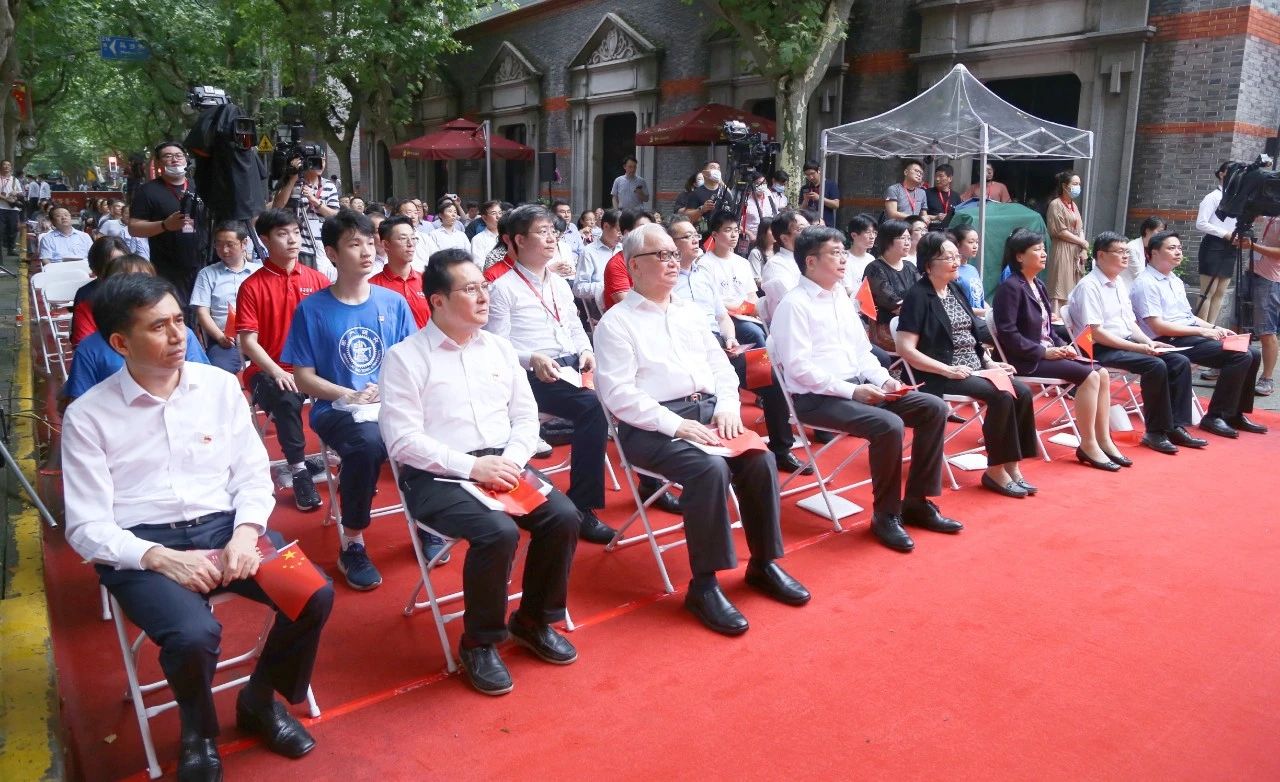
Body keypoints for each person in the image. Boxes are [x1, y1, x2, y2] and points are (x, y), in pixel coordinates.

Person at [61, 273, 332, 780]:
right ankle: (198, 732)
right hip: (143, 545)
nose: (178, 336)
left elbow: (252, 473)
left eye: (178, 321)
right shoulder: (88, 417)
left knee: (312, 593)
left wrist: (246, 533)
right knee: (193, 634)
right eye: (157, 327)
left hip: (226, 527)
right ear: (120, 343)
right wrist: (161, 558)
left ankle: (259, 700)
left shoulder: (218, 388)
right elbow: (86, 525)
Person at [380, 251, 581, 696]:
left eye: (483, 287)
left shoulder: (500, 347)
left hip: (503, 463)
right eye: (470, 289)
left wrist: (512, 459)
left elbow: (525, 418)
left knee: (564, 517)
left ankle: (533, 620)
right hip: (438, 475)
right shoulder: (406, 358)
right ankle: (479, 642)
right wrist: (473, 467)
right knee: (497, 532)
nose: (483, 296)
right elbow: (402, 441)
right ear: (437, 301)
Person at [594, 223, 810, 635]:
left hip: (709, 410)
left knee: (759, 459)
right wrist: (677, 426)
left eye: (673, 255)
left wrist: (728, 406)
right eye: (661, 255)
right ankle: (704, 585)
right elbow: (618, 395)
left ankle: (763, 564)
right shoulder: (616, 323)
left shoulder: (689, 312)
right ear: (633, 266)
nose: (672, 262)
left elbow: (720, 368)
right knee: (708, 470)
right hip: (651, 425)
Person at [771, 225, 962, 551]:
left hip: (858, 388)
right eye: (835, 253)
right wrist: (852, 391)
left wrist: (884, 380)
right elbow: (799, 369)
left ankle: (916, 502)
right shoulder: (794, 305)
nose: (843, 259)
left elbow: (862, 353)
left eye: (843, 252)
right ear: (811, 262)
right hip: (816, 397)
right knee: (888, 425)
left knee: (932, 407)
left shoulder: (842, 299)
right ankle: (885, 515)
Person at [282, 210, 417, 591]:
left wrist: (387, 389)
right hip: (336, 408)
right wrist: (349, 394)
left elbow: (413, 360)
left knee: (433, 426)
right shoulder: (312, 309)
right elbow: (303, 377)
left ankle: (426, 520)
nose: (367, 251)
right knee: (368, 445)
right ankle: (353, 542)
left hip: (391, 401)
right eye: (354, 244)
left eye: (370, 243)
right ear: (331, 253)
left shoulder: (393, 303)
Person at [484, 205, 618, 543]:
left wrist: (586, 350)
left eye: (553, 232)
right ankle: (583, 507)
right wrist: (531, 358)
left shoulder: (558, 283)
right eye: (542, 232)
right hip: (529, 375)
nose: (551, 238)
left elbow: (573, 325)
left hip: (570, 369)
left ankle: (651, 479)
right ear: (518, 240)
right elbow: (495, 347)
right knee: (592, 408)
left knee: (624, 389)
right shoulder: (502, 287)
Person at [896, 232, 1040, 498]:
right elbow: (905, 349)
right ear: (928, 264)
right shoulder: (918, 296)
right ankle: (995, 471)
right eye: (947, 257)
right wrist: (946, 369)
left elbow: (971, 336)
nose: (955, 262)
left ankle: (1012, 464)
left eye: (956, 256)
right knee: (1001, 395)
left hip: (973, 366)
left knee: (1022, 391)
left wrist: (991, 362)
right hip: (939, 372)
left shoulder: (955, 289)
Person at [666, 216, 807, 474]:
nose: (695, 239)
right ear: (671, 244)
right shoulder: (666, 280)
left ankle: (781, 449)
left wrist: (730, 337)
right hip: (687, 349)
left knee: (772, 377)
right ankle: (711, 458)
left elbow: (722, 317)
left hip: (721, 344)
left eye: (695, 234)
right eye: (687, 236)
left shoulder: (703, 274)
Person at [992, 228, 1127, 470]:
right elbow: (1008, 335)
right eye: (1037, 249)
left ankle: (1103, 439)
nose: (1044, 253)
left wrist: (1064, 347)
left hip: (1047, 354)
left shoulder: (1038, 285)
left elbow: (1048, 330)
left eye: (1044, 249)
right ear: (1019, 256)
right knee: (1090, 376)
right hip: (1025, 359)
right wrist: (1043, 352)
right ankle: (1088, 444)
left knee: (1103, 373)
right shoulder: (1010, 288)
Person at [1065, 231, 1205, 455]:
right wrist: (1139, 348)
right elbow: (1096, 333)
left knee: (1178, 360)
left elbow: (1130, 323)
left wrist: (1150, 342)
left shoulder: (1119, 282)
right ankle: (1155, 432)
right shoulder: (1088, 286)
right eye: (1119, 252)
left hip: (1124, 342)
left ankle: (1175, 426)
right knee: (1155, 365)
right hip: (1098, 348)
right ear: (1101, 255)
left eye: (1126, 252)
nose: (1125, 256)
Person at [237, 209, 332, 510]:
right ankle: (299, 471)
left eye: (295, 232)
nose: (292, 240)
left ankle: (349, 459)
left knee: (352, 389)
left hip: (311, 368)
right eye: (282, 234)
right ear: (265, 240)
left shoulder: (317, 279)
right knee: (286, 396)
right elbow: (248, 342)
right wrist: (277, 370)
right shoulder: (252, 286)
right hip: (267, 368)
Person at [1130, 230, 1266, 437]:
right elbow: (1158, 327)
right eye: (1171, 248)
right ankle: (1215, 416)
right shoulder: (1146, 283)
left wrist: (1214, 328)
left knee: (1252, 352)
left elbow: (1189, 317)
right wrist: (1203, 332)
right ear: (1153, 253)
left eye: (1179, 248)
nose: (1178, 252)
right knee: (1239, 355)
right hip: (1167, 340)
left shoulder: (1174, 280)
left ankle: (1234, 414)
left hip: (1188, 333)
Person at [64, 259, 211, 405]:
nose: (177, 337)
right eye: (158, 327)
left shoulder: (185, 334)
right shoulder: (90, 349)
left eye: (147, 282)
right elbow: (81, 401)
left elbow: (204, 381)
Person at [128, 141, 207, 299]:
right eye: (168, 156)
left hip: (203, 264)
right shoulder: (147, 191)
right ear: (158, 162)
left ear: (186, 160)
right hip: (168, 270)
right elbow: (134, 228)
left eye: (179, 155)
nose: (175, 159)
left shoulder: (201, 187)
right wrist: (165, 225)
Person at [191, 221, 261, 373]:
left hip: (260, 337)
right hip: (225, 340)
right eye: (219, 244)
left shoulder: (260, 272)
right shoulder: (207, 274)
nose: (224, 250)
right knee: (218, 372)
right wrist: (220, 337)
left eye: (230, 244)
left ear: (244, 243)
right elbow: (202, 312)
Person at [270, 147, 340, 280]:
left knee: (320, 282)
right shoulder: (291, 183)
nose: (321, 164)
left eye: (323, 160)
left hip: (321, 247)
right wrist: (292, 178)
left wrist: (314, 200)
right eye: (316, 160)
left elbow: (335, 216)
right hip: (297, 245)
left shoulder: (329, 186)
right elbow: (277, 207)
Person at [703, 213, 765, 348]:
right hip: (724, 315)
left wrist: (754, 310)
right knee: (755, 333)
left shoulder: (743, 263)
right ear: (714, 234)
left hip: (746, 313)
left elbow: (752, 295)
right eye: (728, 230)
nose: (734, 235)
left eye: (736, 230)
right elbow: (711, 300)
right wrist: (739, 308)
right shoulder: (704, 264)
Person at [1195, 161, 1240, 325]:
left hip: (1231, 246)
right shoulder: (1213, 197)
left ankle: (1213, 327)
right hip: (1213, 245)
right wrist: (1224, 234)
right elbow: (1200, 223)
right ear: (1221, 174)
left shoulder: (1237, 198)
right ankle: (1202, 330)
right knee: (1208, 291)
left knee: (1220, 291)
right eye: (1230, 172)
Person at [863, 219, 916, 350]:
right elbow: (893, 303)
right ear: (887, 240)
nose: (907, 242)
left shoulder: (910, 267)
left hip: (914, 322)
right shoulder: (874, 268)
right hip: (887, 328)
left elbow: (923, 293)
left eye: (909, 238)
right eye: (902, 238)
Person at [370, 215, 430, 329]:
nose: (410, 243)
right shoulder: (372, 287)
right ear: (386, 245)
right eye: (403, 238)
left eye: (413, 238)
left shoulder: (427, 281)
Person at [70, 236, 130, 346]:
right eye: (111, 265)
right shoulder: (86, 296)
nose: (119, 270)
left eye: (122, 263)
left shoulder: (140, 290)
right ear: (96, 267)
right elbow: (83, 344)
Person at [1045, 169, 1089, 315]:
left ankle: (1072, 318)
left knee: (1074, 285)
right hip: (1062, 248)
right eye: (1075, 184)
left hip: (1076, 250)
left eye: (1079, 184)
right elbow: (1059, 231)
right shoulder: (1056, 204)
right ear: (1065, 186)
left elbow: (1080, 228)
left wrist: (1083, 248)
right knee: (1061, 284)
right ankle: (1057, 317)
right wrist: (1082, 242)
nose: (1078, 187)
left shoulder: (1074, 205)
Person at [760, 210, 810, 320]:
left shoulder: (813, 258)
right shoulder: (776, 265)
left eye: (809, 227)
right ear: (784, 238)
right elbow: (793, 303)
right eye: (801, 229)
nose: (809, 232)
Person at [1250, 216, 1280, 396]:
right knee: (1237, 324)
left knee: (1266, 330)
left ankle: (1267, 378)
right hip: (1251, 271)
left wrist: (1252, 246)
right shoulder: (1270, 214)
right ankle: (1226, 365)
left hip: (1270, 279)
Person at [601, 208, 654, 311]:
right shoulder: (616, 264)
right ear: (627, 234)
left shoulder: (656, 259)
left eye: (651, 229)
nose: (649, 234)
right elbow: (629, 305)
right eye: (642, 229)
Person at [948, 224, 987, 315]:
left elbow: (979, 299)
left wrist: (990, 311)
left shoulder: (973, 269)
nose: (975, 246)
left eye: (977, 242)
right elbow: (957, 306)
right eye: (971, 242)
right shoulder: (952, 271)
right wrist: (985, 313)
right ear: (957, 245)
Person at [741, 171, 783, 249]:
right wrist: (749, 234)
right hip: (750, 240)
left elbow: (775, 215)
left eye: (764, 183)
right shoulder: (746, 201)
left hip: (767, 240)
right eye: (758, 183)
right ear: (753, 184)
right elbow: (737, 223)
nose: (762, 185)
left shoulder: (769, 197)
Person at [1124, 216, 1165, 286]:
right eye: (1159, 232)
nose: (1162, 235)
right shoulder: (1132, 247)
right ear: (1147, 230)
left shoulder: (1154, 248)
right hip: (1131, 288)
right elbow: (1139, 274)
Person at [800, 161, 839, 227]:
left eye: (812, 173)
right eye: (807, 175)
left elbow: (836, 204)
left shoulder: (830, 185)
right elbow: (801, 210)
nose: (810, 177)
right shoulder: (805, 188)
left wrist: (819, 198)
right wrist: (805, 200)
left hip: (826, 224)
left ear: (819, 170)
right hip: (809, 225)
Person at [0, 160, 23, 257]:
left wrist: (16, 194)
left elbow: (20, 192)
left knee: (13, 229)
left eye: (8, 165)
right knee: (1, 230)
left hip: (13, 209)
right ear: (1, 167)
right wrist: (6, 199)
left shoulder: (14, 180)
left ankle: (11, 249)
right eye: (4, 165)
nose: (6, 166)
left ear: (11, 168)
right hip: (1, 208)